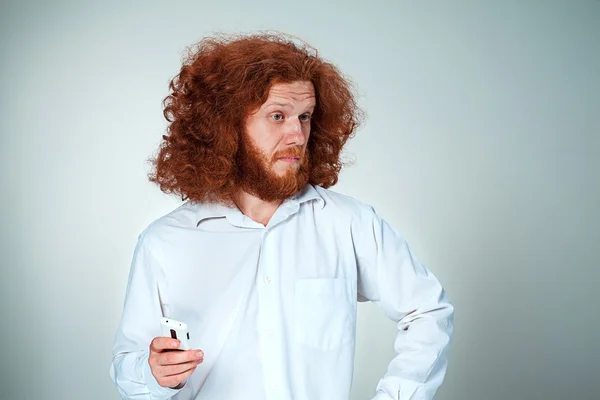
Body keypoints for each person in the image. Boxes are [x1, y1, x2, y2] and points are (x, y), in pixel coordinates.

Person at [109, 32, 454, 400]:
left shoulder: (348, 223)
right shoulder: (165, 242)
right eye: (278, 116)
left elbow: (428, 311)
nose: (297, 134)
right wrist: (154, 373)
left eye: (305, 117)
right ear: (227, 127)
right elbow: (128, 369)